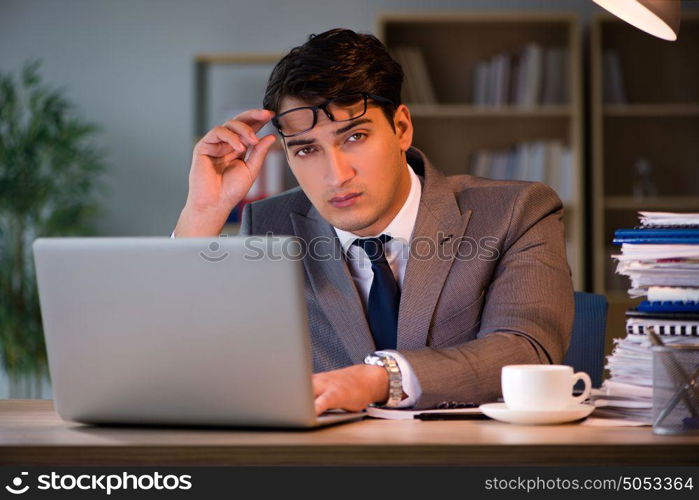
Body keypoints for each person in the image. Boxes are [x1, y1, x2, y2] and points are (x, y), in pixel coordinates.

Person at [173, 28, 574, 413]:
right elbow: (200, 357)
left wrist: (379, 379)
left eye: (354, 137)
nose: (337, 174)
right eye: (307, 149)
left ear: (401, 129)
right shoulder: (270, 225)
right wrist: (203, 214)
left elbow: (526, 350)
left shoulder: (515, 212)